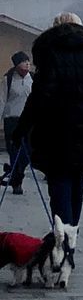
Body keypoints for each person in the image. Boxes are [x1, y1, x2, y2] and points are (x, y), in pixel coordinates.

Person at [11, 13, 83, 231]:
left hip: (56, 135)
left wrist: (21, 130)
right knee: (77, 183)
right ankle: (70, 237)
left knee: (59, 183)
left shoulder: (51, 58)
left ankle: (63, 240)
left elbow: (38, 100)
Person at [1, 51, 32, 194]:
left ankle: (13, 172)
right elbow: (1, 101)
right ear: (16, 64)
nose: (27, 64)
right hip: (12, 120)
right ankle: (17, 183)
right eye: (24, 61)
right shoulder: (8, 80)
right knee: (14, 152)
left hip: (29, 121)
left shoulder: (32, 79)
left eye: (28, 61)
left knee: (28, 153)